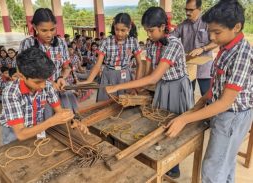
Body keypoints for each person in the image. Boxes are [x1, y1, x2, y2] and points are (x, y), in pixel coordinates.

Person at [166, 1, 253, 182]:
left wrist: (184, 118)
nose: (212, 37)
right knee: (224, 163)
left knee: (212, 170)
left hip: (232, 117)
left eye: (217, 32)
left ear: (236, 27)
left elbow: (225, 102)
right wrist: (203, 99)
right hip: (225, 113)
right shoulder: (226, 48)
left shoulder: (242, 54)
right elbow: (219, 84)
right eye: (210, 31)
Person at [105, 7, 194, 178]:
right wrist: (136, 89)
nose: (149, 34)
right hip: (162, 86)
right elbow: (149, 71)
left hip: (176, 87)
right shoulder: (152, 43)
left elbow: (154, 77)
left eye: (151, 30)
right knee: (159, 123)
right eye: (146, 30)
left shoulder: (174, 44)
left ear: (162, 27)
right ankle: (160, 160)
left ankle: (173, 167)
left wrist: (118, 87)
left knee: (174, 123)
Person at [0, 47, 88, 145]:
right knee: (14, 154)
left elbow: (60, 111)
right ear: (21, 76)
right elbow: (21, 134)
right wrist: (52, 121)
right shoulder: (11, 93)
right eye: (37, 82)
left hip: (38, 127)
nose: (43, 86)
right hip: (14, 132)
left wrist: (74, 121)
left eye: (45, 80)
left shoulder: (47, 85)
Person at [18, 8, 72, 119]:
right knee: (44, 123)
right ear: (34, 27)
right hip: (37, 92)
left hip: (58, 90)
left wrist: (62, 78)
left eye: (52, 29)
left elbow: (66, 68)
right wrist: (48, 83)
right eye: (44, 30)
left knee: (64, 119)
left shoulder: (61, 43)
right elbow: (21, 74)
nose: (49, 34)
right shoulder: (27, 44)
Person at [81, 13, 143, 101]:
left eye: (123, 30)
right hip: (108, 76)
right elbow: (98, 65)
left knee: (125, 103)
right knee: (106, 103)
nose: (119, 33)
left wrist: (136, 85)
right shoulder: (106, 41)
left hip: (125, 78)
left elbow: (140, 64)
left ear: (129, 28)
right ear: (114, 27)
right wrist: (89, 80)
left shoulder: (133, 41)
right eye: (117, 29)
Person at [171, 0, 217, 96]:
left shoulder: (207, 23)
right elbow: (171, 37)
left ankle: (207, 111)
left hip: (204, 69)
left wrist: (203, 48)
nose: (188, 13)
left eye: (191, 10)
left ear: (199, 9)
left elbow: (216, 42)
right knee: (187, 95)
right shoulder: (183, 25)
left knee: (207, 95)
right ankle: (190, 111)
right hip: (188, 67)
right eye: (186, 10)